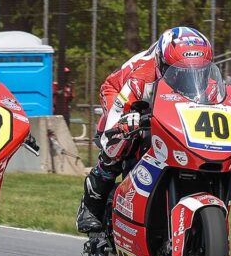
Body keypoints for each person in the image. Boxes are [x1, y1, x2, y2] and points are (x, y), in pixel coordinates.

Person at [76, 27, 214, 233]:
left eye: (198, 71)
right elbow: (114, 124)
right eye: (180, 71)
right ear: (162, 64)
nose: (190, 77)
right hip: (120, 93)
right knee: (120, 142)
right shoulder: (141, 78)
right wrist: (123, 124)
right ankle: (91, 205)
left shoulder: (209, 83)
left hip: (165, 104)